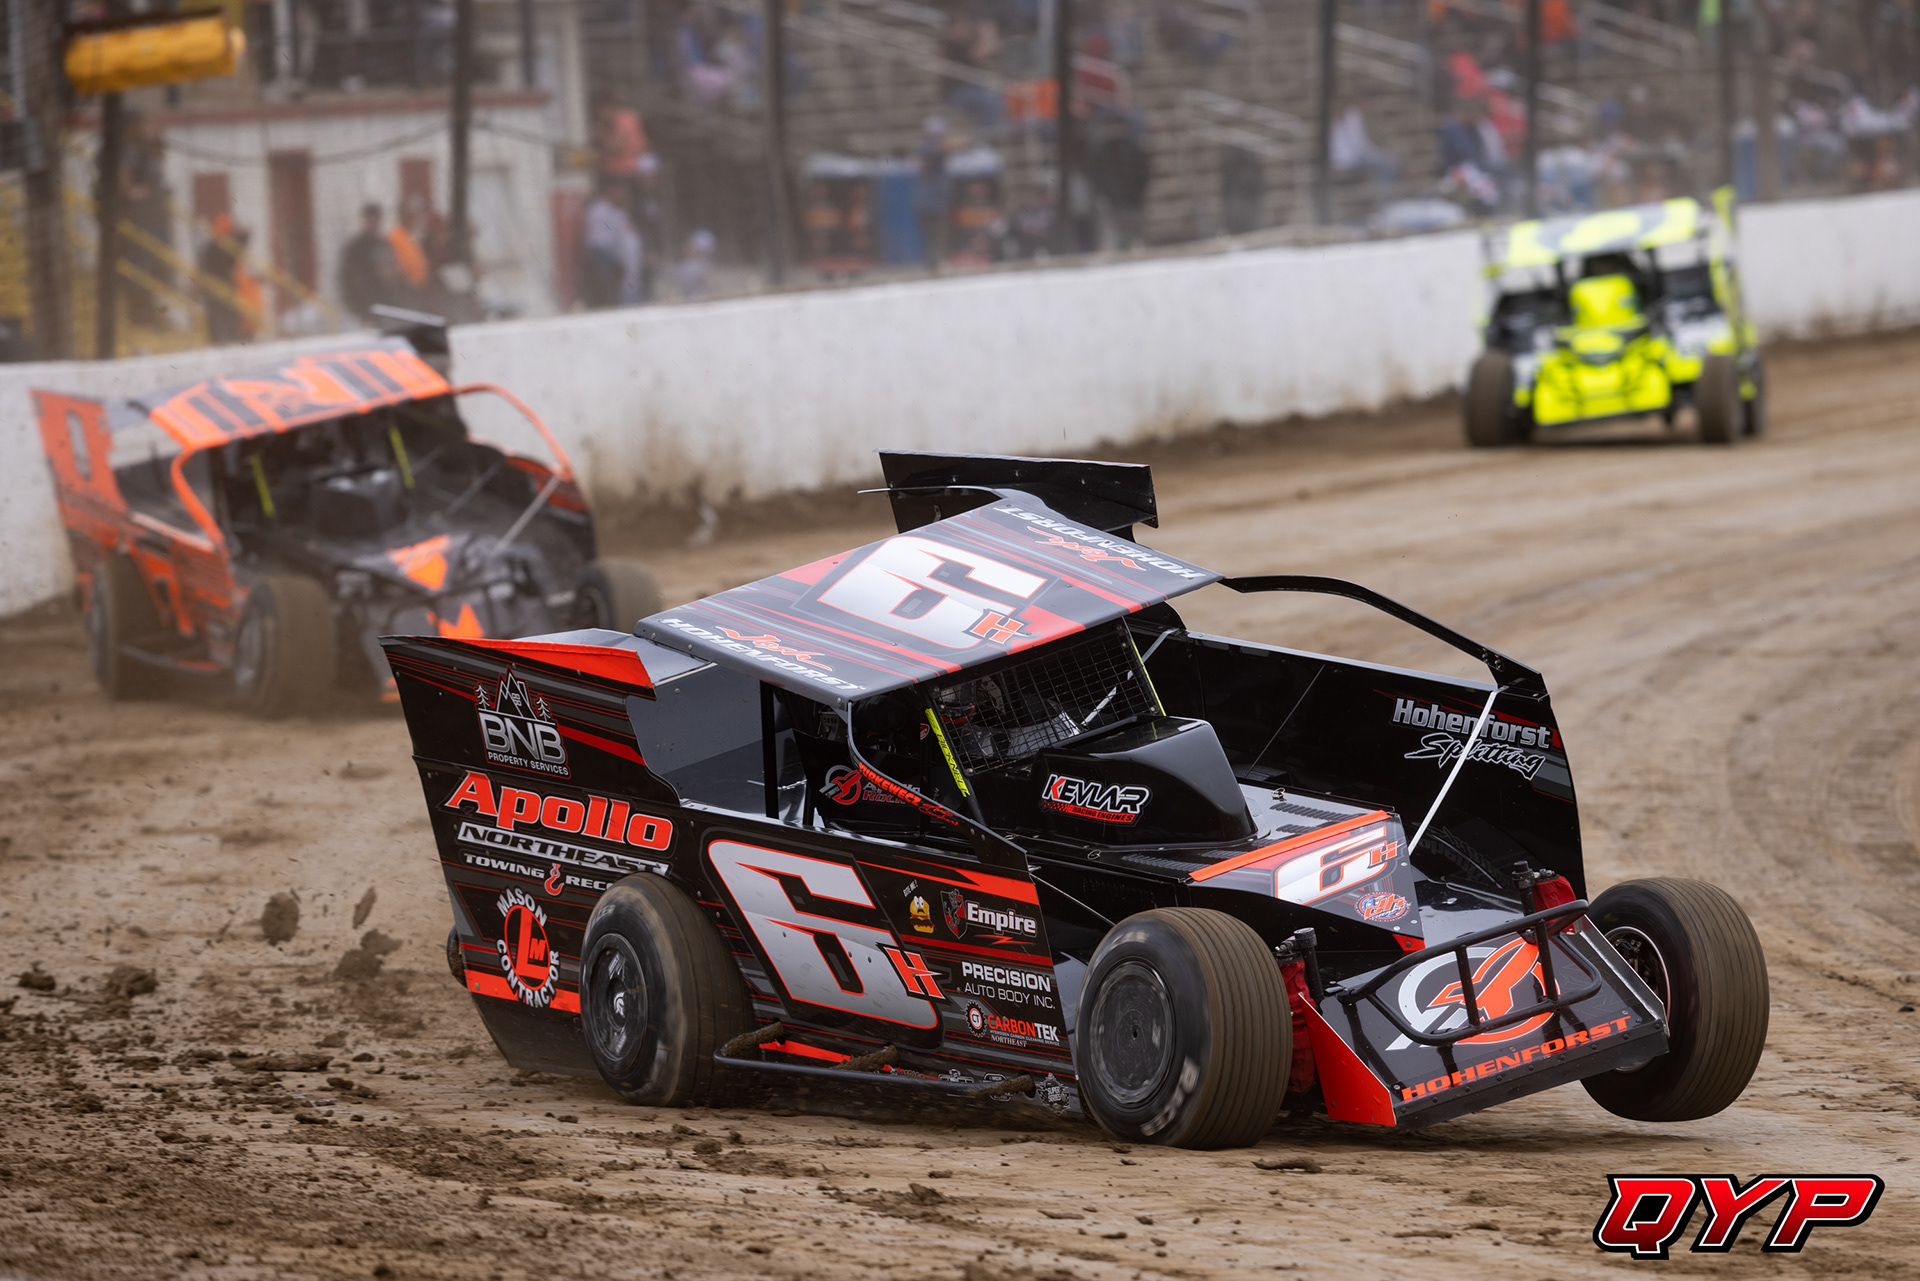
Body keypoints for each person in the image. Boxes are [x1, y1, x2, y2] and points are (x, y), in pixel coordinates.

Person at [1088, 115, 1151, 250]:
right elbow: (1096, 175)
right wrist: (1105, 193)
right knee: (1113, 234)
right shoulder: (1100, 152)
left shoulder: (1133, 149)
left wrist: (1137, 191)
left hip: (1133, 199)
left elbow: (1143, 171)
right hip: (1111, 200)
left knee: (1134, 233)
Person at [580, 180, 642, 308]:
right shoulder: (599, 210)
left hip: (610, 250)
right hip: (601, 250)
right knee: (605, 280)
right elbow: (599, 235)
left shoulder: (614, 211)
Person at [338, 203, 402, 323]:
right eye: (370, 219)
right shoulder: (355, 249)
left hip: (387, 307)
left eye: (376, 218)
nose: (374, 222)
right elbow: (348, 281)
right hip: (363, 309)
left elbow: (393, 274)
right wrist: (359, 309)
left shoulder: (384, 244)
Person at [198, 213, 245, 345]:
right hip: (216, 285)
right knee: (220, 313)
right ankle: (222, 339)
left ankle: (228, 338)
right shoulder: (215, 246)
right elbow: (229, 259)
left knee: (226, 313)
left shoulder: (215, 245)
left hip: (220, 285)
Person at [913, 116, 952, 269]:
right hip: (931, 201)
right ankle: (934, 263)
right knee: (936, 234)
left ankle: (933, 262)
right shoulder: (929, 149)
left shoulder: (925, 149)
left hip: (930, 200)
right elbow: (944, 149)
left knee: (935, 235)